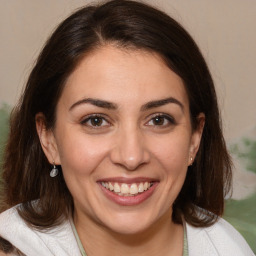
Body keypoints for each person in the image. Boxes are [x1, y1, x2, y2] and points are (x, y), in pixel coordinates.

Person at [0, 0, 254, 255]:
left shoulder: (228, 248)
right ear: (49, 139)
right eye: (96, 120)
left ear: (194, 138)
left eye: (159, 120)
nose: (131, 157)